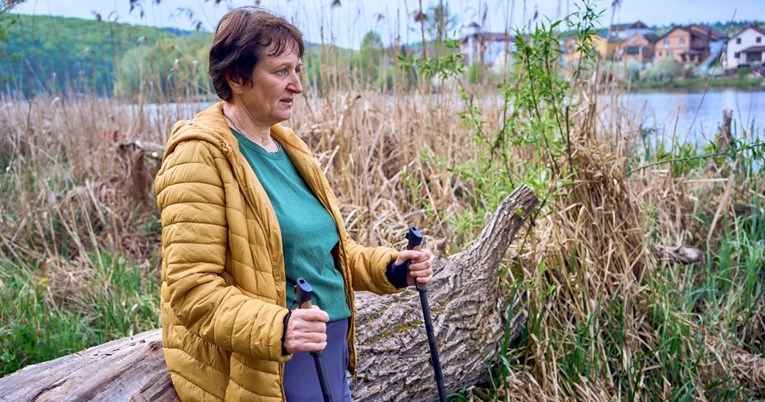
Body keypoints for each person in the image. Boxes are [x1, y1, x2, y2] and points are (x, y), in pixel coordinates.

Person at [154, 6, 433, 402]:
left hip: (329, 347)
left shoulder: (288, 146)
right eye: (281, 71)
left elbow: (330, 253)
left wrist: (391, 268)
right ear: (236, 77)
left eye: (297, 69)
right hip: (273, 365)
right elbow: (191, 289)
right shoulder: (198, 156)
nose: (297, 85)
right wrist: (279, 327)